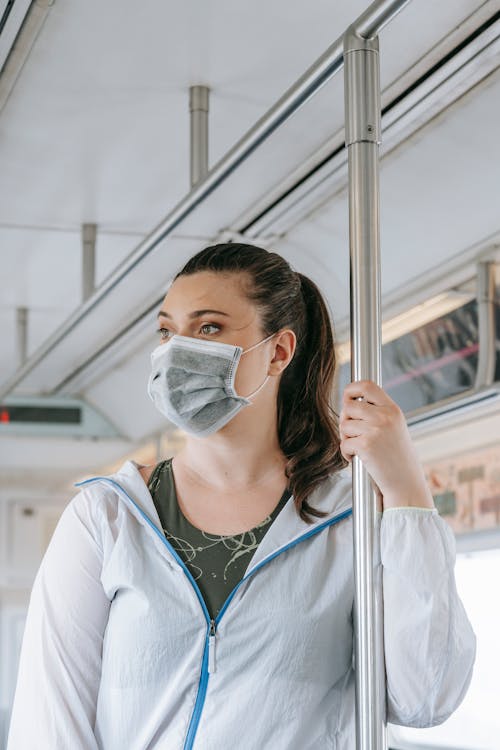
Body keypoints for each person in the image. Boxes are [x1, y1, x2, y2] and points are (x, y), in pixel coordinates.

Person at [6, 242, 476, 749]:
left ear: (278, 352)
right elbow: (50, 722)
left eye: (208, 328)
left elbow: (425, 699)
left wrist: (406, 492)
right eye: (167, 330)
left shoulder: (351, 518)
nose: (175, 350)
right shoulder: (108, 515)